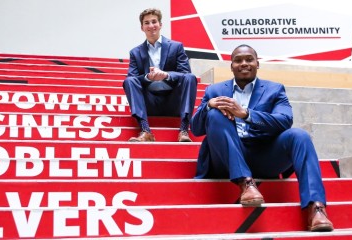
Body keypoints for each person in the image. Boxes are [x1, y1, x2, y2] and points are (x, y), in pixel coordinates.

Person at [190, 44, 334, 232]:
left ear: (257, 64)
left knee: (300, 136)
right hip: (226, 157)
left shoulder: (274, 89)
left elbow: (284, 120)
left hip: (264, 155)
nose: (244, 63)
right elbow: (196, 128)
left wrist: (245, 114)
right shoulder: (214, 91)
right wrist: (208, 106)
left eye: (249, 59)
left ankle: (316, 208)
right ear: (231, 65)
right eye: (238, 60)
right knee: (215, 115)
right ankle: (246, 183)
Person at [123, 8, 197, 142]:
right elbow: (132, 77)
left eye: (154, 21)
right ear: (142, 27)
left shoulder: (176, 46)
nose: (151, 26)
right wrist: (147, 77)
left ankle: (184, 130)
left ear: (160, 24)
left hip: (173, 101)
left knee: (190, 78)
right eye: (147, 23)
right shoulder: (135, 52)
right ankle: (145, 130)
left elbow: (185, 73)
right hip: (149, 102)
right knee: (129, 81)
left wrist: (166, 75)